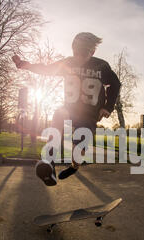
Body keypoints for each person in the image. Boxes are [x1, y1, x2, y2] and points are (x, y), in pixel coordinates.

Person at [12, 32, 121, 186]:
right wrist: (25, 65)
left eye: (84, 54)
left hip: (89, 115)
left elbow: (115, 84)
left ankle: (74, 167)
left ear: (93, 52)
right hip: (69, 109)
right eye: (77, 53)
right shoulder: (67, 63)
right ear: (72, 50)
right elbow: (47, 69)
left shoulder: (102, 66)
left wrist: (108, 107)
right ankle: (49, 163)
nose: (79, 58)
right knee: (58, 114)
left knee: (78, 151)